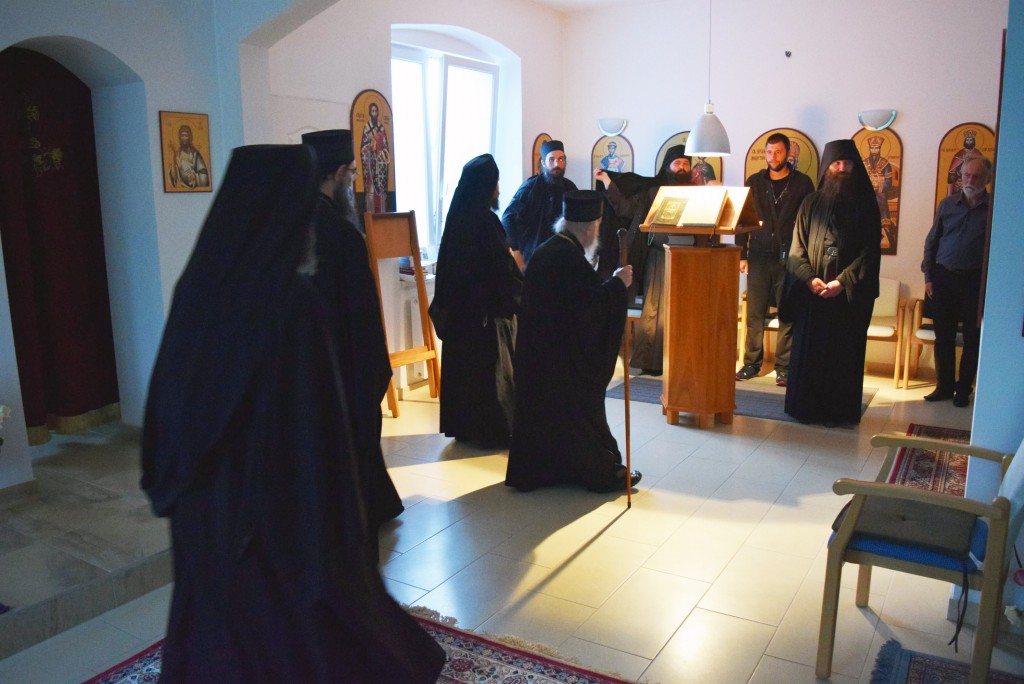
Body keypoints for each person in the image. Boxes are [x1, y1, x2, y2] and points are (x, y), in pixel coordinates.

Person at [141, 144, 445, 682]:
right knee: (286, 634)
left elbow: (170, 409)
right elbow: (313, 428)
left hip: (207, 510)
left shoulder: (200, 287)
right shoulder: (289, 304)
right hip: (272, 513)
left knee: (219, 628)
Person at [505, 190, 641, 493]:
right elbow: (590, 312)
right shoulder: (568, 259)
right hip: (564, 366)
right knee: (578, 411)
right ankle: (595, 471)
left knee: (546, 417)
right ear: (590, 228)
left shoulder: (547, 251)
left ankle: (547, 470)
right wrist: (618, 285)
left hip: (538, 361)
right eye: (598, 226)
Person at [301, 129, 404, 528]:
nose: (354, 182)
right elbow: (362, 315)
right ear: (340, 173)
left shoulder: (291, 226)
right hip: (343, 362)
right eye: (353, 173)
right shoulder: (343, 235)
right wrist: (375, 370)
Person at [779, 139, 881, 426]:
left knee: (842, 356)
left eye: (847, 163)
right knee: (809, 354)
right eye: (837, 163)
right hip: (812, 297)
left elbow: (869, 253)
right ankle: (805, 409)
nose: (842, 168)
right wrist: (809, 279)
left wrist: (842, 282)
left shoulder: (867, 207)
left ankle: (837, 413)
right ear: (827, 168)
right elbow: (796, 249)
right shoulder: (810, 203)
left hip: (846, 299)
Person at [430, 153, 524, 446]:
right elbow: (501, 269)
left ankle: (464, 427)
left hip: (461, 316)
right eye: (496, 183)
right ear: (487, 186)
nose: (498, 190)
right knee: (487, 375)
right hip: (484, 317)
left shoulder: (457, 219)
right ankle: (489, 431)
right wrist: (522, 289)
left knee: (464, 372)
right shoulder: (485, 222)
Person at [595, 145, 693, 375]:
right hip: (659, 256)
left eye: (686, 164)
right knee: (653, 310)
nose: (681, 168)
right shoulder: (653, 192)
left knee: (686, 309)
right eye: (677, 163)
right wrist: (607, 182)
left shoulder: (699, 193)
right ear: (667, 167)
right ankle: (650, 362)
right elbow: (626, 208)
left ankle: (684, 359)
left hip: (691, 259)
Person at [736, 132, 815, 386]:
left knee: (787, 313)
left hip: (790, 257)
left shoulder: (802, 183)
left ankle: (784, 367)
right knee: (754, 313)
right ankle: (751, 363)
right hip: (758, 255)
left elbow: (810, 222)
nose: (773, 157)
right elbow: (742, 218)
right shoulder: (755, 182)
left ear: (788, 152)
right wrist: (742, 254)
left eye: (778, 152)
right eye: (769, 152)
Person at [921, 154, 992, 407]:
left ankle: (963, 390)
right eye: (966, 175)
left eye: (976, 176)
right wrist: (928, 276)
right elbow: (932, 241)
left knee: (972, 338)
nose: (970, 180)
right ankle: (944, 386)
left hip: (975, 282)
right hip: (943, 277)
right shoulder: (947, 205)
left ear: (987, 179)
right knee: (943, 336)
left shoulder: (993, 209)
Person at [502, 139, 578, 270]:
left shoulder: (570, 188)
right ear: (543, 163)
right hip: (533, 257)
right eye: (552, 160)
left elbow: (578, 219)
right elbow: (507, 217)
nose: (557, 164)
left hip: (562, 257)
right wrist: (516, 250)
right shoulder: (530, 188)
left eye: (561, 159)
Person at [862, 134, 897, 249]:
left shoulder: (885, 163)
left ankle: (884, 225)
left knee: (880, 197)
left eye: (876, 148)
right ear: (869, 149)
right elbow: (859, 178)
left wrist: (879, 186)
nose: (874, 150)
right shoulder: (864, 162)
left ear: (879, 149)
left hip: (880, 190)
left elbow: (888, 181)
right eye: (872, 148)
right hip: (866, 189)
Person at [359, 102, 390, 213]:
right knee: (371, 192)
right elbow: (363, 147)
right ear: (369, 113)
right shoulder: (367, 128)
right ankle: (370, 216)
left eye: (376, 111)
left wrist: (382, 151)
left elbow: (386, 146)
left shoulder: (381, 128)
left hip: (380, 165)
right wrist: (370, 146)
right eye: (372, 111)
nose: (374, 113)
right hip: (371, 165)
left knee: (381, 192)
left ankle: (382, 215)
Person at [167, 124, 210, 189]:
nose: (184, 138)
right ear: (179, 137)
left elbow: (204, 176)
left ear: (190, 137)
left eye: (186, 135)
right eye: (182, 135)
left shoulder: (195, 155)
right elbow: (174, 179)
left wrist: (193, 176)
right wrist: (174, 158)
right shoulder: (177, 154)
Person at [947, 128, 979, 196]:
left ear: (973, 141)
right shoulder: (959, 154)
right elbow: (952, 171)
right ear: (965, 141)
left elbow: (982, 169)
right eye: (967, 140)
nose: (969, 142)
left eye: (970, 140)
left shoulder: (978, 154)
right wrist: (956, 175)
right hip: (960, 180)